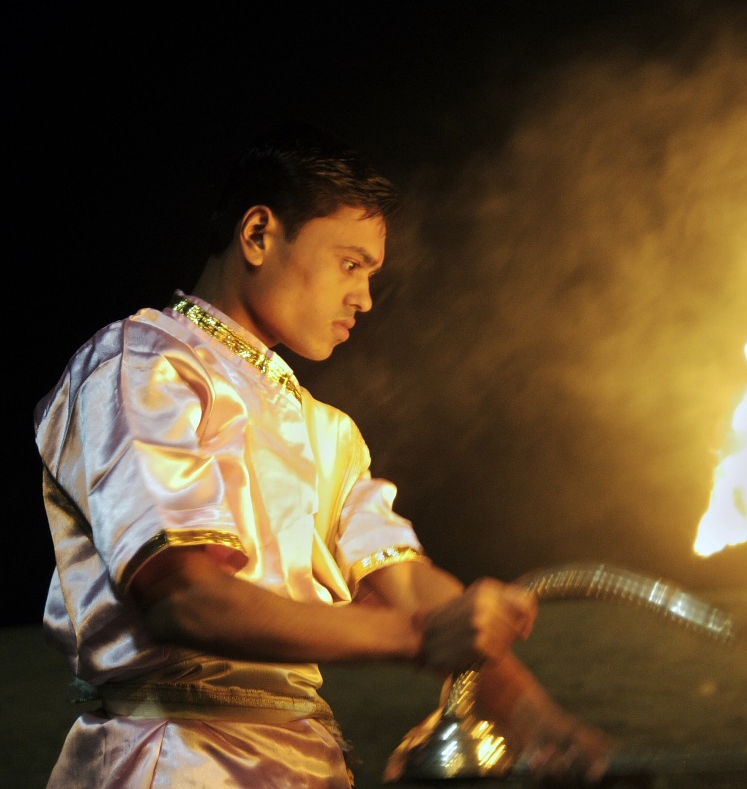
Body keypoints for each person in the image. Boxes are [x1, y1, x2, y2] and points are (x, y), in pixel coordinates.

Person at [34, 123, 612, 788]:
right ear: (258, 234)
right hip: (173, 761)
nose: (365, 298)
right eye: (351, 263)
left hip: (307, 766)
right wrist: (418, 637)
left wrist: (535, 720)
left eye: (371, 273)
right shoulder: (142, 365)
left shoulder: (326, 430)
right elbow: (183, 599)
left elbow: (408, 582)